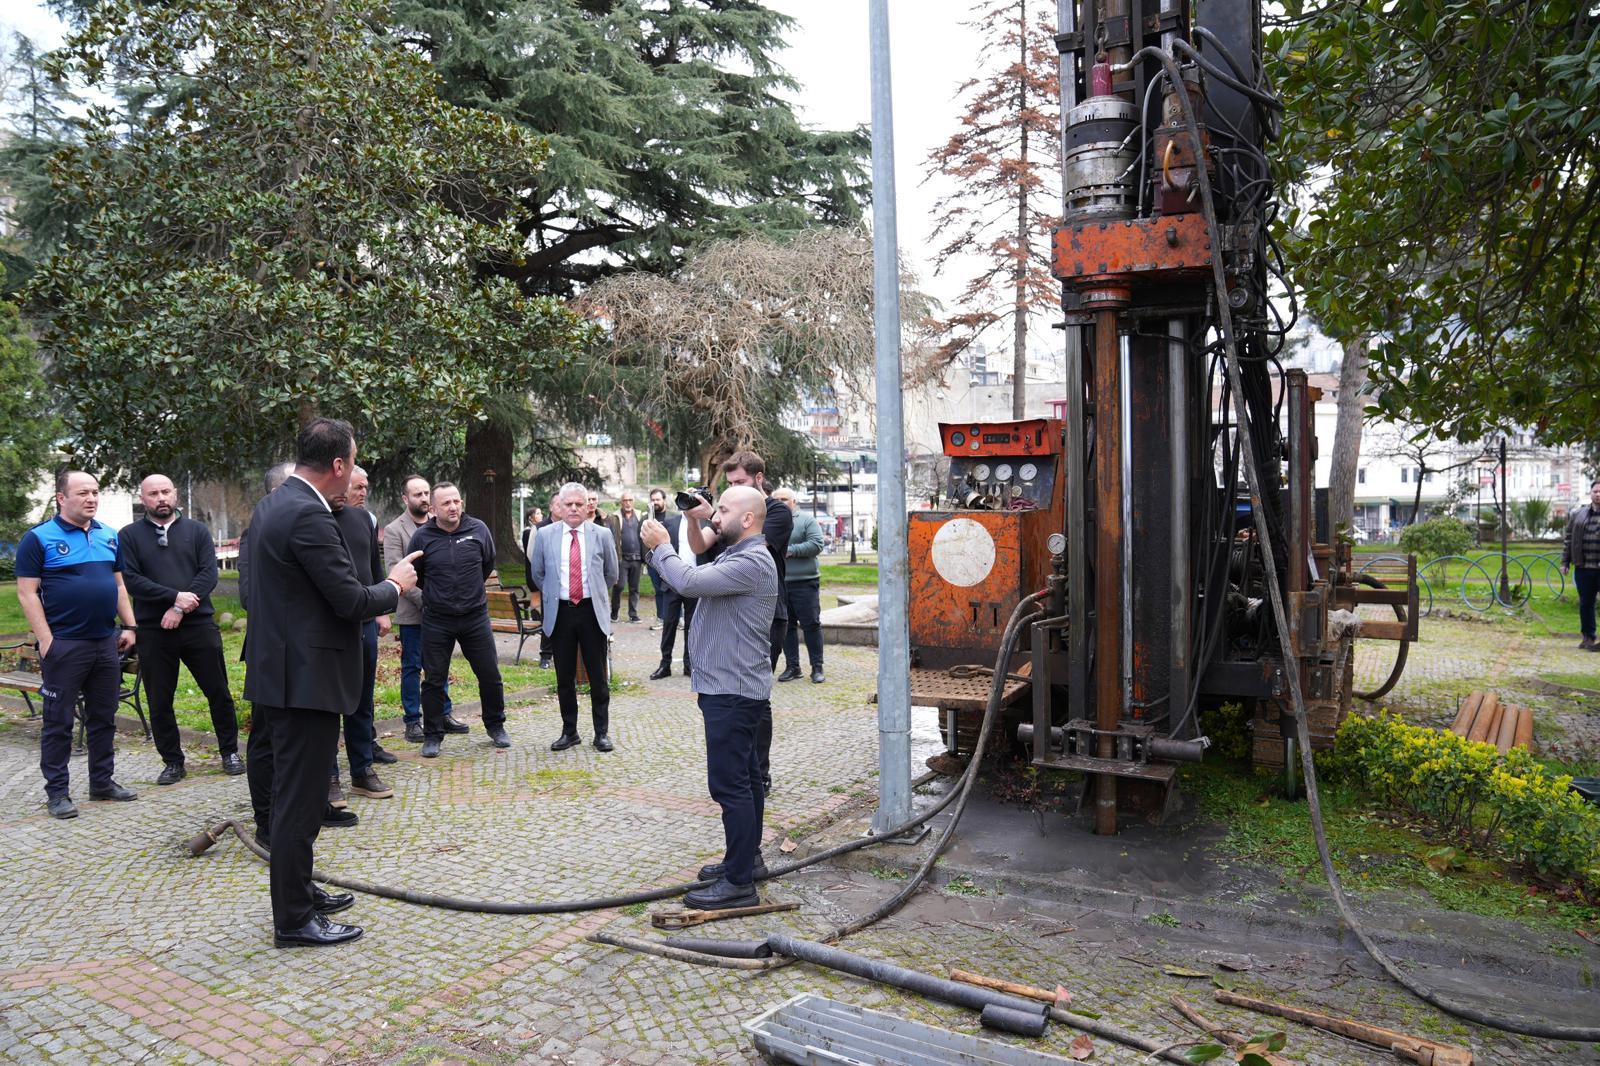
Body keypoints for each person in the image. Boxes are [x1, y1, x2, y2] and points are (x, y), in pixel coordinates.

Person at [241, 418, 417, 948]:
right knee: (300, 801)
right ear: (338, 465)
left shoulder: (274, 503)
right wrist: (395, 584)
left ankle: (301, 891)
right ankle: (294, 920)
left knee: (293, 795)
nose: (354, 473)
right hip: (304, 679)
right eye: (353, 462)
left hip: (282, 670)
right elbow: (350, 600)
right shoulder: (307, 514)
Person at [641, 485, 778, 909]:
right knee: (747, 781)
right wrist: (698, 518)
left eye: (724, 510)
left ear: (748, 519)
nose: (717, 516)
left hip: (732, 691)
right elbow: (701, 552)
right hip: (734, 687)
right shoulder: (739, 553)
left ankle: (738, 885)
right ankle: (746, 861)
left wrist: (661, 546)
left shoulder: (751, 561)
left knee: (730, 786)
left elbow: (687, 582)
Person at [16, 471, 139, 819]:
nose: (91, 498)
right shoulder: (38, 538)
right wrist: (46, 640)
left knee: (103, 717)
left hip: (105, 643)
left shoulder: (109, 535)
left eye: (95, 492)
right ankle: (57, 793)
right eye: (83, 492)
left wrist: (130, 626)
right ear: (61, 497)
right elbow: (26, 593)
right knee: (58, 722)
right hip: (65, 645)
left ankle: (102, 782)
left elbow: (118, 586)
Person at [119, 473, 243, 786]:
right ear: (143, 499)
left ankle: (230, 752)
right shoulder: (129, 536)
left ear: (175, 494)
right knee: (160, 699)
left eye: (165, 491)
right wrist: (174, 597)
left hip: (199, 626)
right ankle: (173, 762)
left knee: (218, 692)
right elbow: (133, 581)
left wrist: (179, 608)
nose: (161, 498)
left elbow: (208, 574)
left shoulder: (197, 531)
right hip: (154, 630)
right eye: (153, 494)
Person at [682, 452, 791, 794]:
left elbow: (750, 535)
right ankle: (744, 774)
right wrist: (693, 519)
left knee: (754, 695)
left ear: (758, 479)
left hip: (765, 612)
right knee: (738, 697)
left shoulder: (774, 512)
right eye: (728, 484)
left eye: (739, 482)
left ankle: (758, 771)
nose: (732, 488)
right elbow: (700, 544)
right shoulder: (728, 514)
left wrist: (714, 513)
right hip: (729, 606)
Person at [410, 482, 509, 758]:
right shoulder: (422, 537)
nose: (453, 507)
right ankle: (432, 735)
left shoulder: (478, 529)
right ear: (433, 509)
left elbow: (487, 564)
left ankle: (496, 725)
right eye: (446, 503)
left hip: (475, 617)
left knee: (490, 674)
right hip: (437, 619)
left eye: (456, 501)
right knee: (434, 679)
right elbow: (416, 574)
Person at [528, 482, 618, 751]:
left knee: (597, 677)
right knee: (564, 677)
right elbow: (538, 574)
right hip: (561, 613)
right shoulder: (545, 535)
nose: (575, 508)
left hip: (591, 612)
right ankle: (570, 732)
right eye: (569, 504)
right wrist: (557, 593)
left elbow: (611, 574)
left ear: (587, 506)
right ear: (559, 506)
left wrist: (594, 594)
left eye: (580, 504)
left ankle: (601, 733)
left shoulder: (602, 534)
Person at [327, 466, 395, 801]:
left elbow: (374, 568)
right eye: (355, 486)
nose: (358, 492)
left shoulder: (365, 520)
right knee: (328, 703)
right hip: (329, 625)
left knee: (361, 699)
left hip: (364, 621)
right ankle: (328, 776)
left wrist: (382, 610)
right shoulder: (317, 519)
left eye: (363, 487)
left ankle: (362, 769)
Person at [383, 474, 455, 742]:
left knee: (440, 665)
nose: (424, 498)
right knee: (412, 667)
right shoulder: (395, 530)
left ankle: (444, 714)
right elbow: (395, 571)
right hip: (414, 613)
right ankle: (413, 721)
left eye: (426, 493)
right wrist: (428, 601)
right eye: (417, 494)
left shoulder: (441, 524)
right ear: (406, 498)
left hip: (443, 612)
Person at [772, 487, 826, 685]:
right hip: (780, 583)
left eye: (784, 499)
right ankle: (793, 667)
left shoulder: (806, 520)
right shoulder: (770, 521)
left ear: (793, 501)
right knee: (786, 627)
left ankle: (817, 667)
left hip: (805, 581)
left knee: (811, 624)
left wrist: (791, 550)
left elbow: (817, 544)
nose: (780, 502)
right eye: (776, 499)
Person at [649, 499, 700, 680]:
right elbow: (659, 549)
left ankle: (689, 664)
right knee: (669, 624)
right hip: (672, 581)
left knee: (692, 625)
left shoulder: (705, 524)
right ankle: (665, 664)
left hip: (697, 581)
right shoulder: (670, 523)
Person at [1563, 478, 1600, 651]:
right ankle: (1588, 637)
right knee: (1586, 603)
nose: (1598, 495)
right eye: (1595, 491)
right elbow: (1569, 539)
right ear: (1590, 493)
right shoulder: (1578, 515)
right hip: (1584, 568)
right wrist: (1565, 562)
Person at [606, 493, 644, 623]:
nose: (628, 503)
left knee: (635, 588)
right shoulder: (615, 517)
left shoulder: (640, 516)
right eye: (625, 500)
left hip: (637, 558)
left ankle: (633, 614)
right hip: (622, 559)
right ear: (621, 502)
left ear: (633, 502)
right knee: (619, 586)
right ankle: (614, 612)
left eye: (630, 500)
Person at [646, 489, 670, 630]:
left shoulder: (673, 517)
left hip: (670, 561)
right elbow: (641, 538)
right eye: (653, 500)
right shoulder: (646, 519)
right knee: (659, 590)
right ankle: (661, 618)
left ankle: (678, 618)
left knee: (675, 590)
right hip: (654, 563)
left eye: (658, 499)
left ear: (664, 500)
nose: (655, 502)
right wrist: (647, 560)